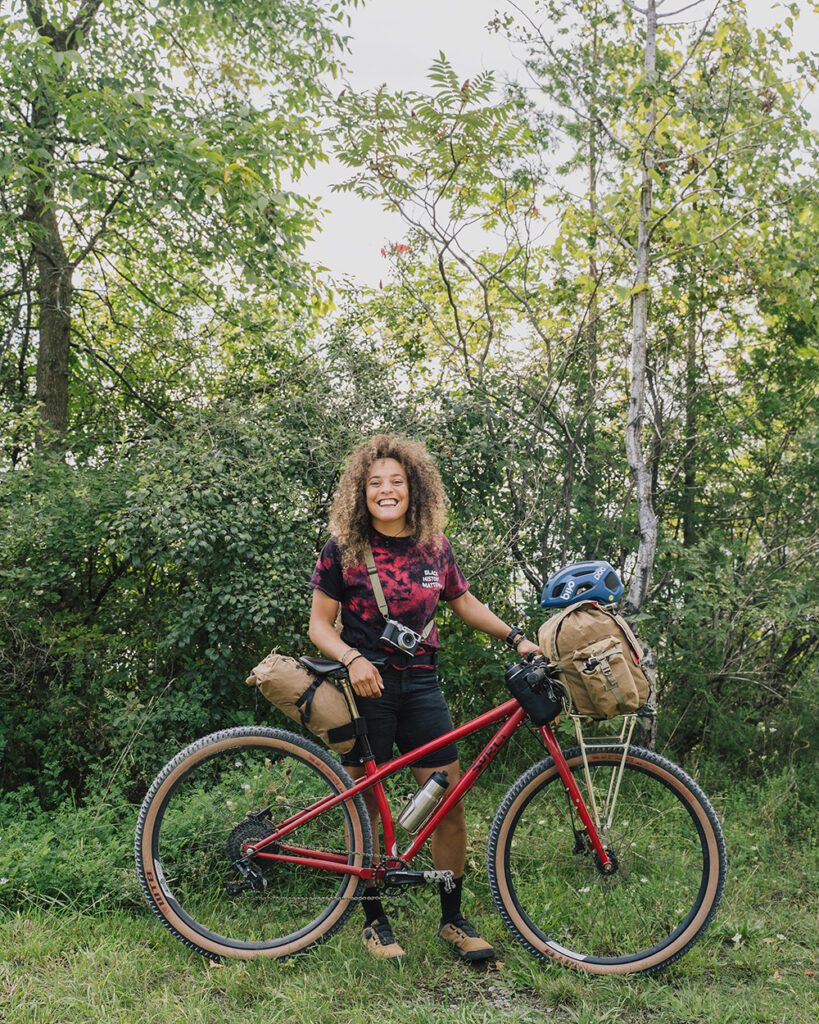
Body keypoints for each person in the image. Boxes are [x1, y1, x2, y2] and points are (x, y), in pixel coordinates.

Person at [308, 434, 539, 963]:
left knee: (447, 803)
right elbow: (320, 627)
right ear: (360, 492)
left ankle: (452, 919)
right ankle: (373, 920)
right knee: (369, 805)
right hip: (367, 686)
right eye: (375, 483)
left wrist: (516, 638)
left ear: (414, 489)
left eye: (396, 481)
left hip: (422, 685)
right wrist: (352, 659)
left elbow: (464, 603)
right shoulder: (343, 549)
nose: (386, 490)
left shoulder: (434, 545)